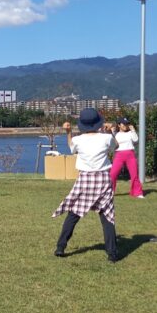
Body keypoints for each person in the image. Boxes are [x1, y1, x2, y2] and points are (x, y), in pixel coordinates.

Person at [53, 108, 120, 262]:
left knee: (73, 213)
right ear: (98, 123)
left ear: (82, 124)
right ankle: (112, 254)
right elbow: (115, 146)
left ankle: (60, 247)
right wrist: (111, 132)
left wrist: (68, 132)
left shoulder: (78, 140)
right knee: (107, 216)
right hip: (103, 179)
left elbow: (71, 149)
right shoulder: (105, 138)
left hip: (85, 180)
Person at [110, 117, 144, 198]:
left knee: (134, 174)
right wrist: (112, 132)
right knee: (112, 174)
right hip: (119, 155)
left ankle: (138, 193)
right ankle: (110, 192)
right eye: (124, 124)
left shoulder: (130, 133)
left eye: (127, 124)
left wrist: (133, 130)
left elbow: (136, 140)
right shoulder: (116, 134)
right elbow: (113, 144)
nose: (126, 125)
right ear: (119, 125)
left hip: (130, 154)